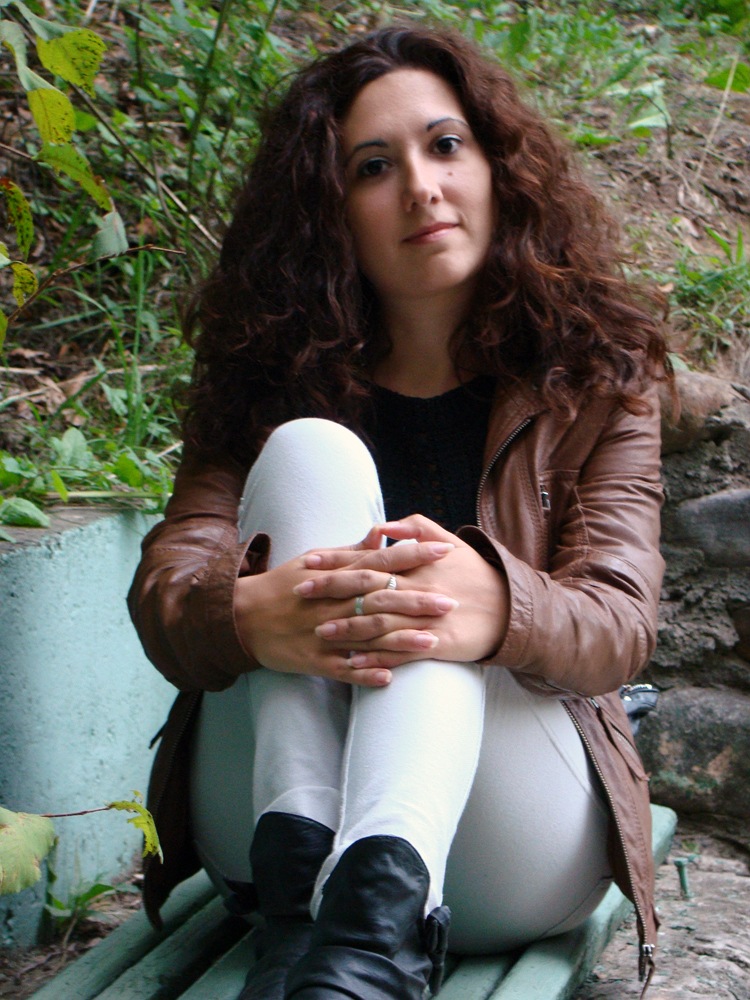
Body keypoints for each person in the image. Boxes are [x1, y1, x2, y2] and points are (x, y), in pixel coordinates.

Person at [128, 23, 670, 1000]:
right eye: (373, 167)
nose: (421, 186)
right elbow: (169, 587)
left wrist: (498, 607)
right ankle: (323, 925)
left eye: (445, 144)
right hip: (270, 823)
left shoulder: (599, 375)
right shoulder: (267, 375)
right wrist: (242, 613)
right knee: (311, 453)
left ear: (497, 166)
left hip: (505, 839)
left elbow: (621, 621)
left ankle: (371, 924)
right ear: (328, 211)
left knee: (434, 607)